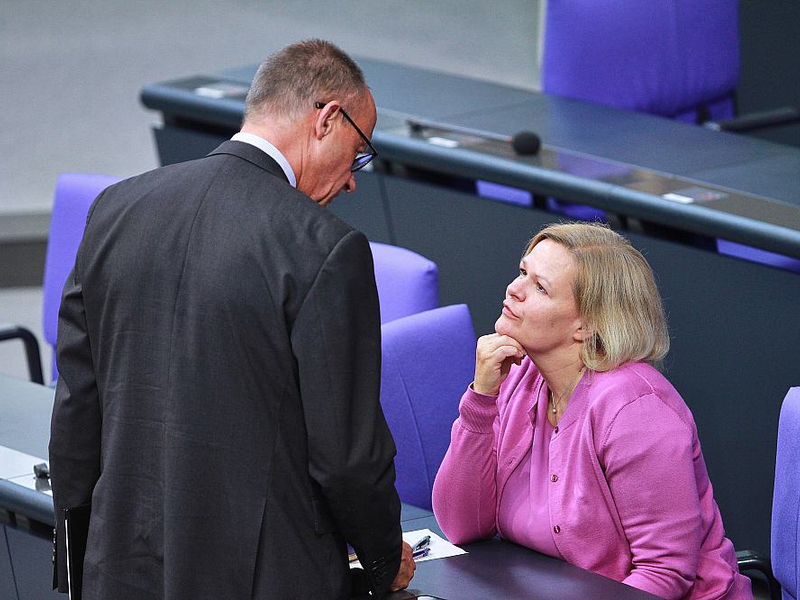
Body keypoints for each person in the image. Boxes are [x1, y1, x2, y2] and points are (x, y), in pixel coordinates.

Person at [49, 39, 414, 599]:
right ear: (328, 119)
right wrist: (384, 558)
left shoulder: (116, 210)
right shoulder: (324, 248)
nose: (352, 180)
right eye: (359, 152)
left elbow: (76, 407)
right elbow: (345, 458)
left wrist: (80, 563)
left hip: (121, 568)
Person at [432, 222, 751, 599]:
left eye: (539, 287)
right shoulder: (519, 378)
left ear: (586, 324)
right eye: (522, 272)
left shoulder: (635, 410)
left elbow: (664, 574)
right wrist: (481, 400)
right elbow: (461, 525)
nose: (513, 290)